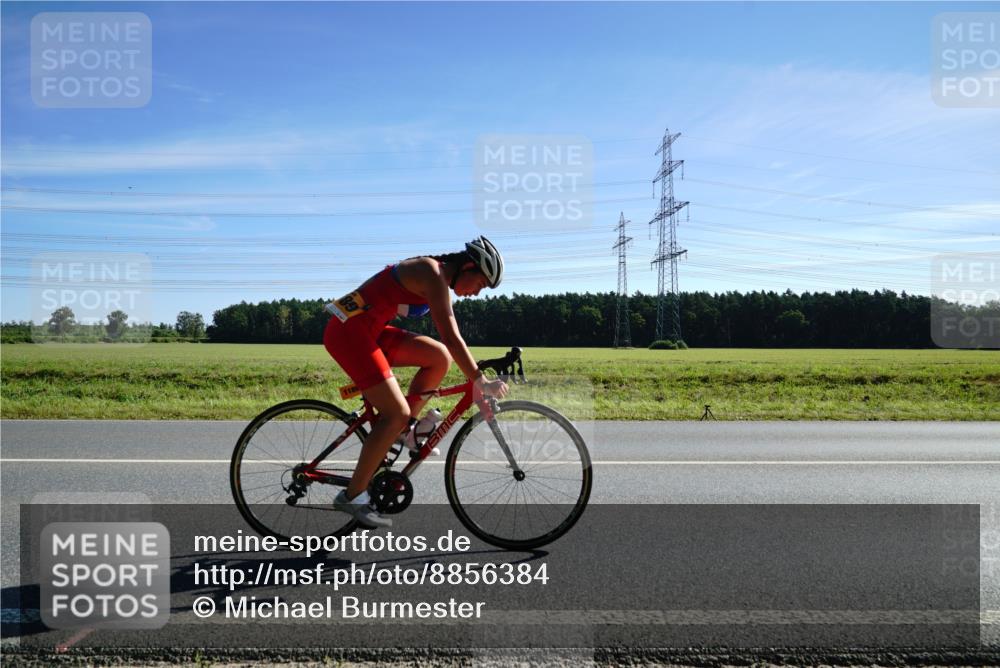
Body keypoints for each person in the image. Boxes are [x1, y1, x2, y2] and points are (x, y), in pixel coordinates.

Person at [323, 236, 510, 528]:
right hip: (350, 333)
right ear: (469, 267)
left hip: (369, 331)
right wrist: (479, 380)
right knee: (394, 413)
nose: (476, 293)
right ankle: (352, 495)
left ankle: (404, 431)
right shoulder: (431, 272)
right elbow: (451, 334)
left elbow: (447, 343)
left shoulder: (436, 277)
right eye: (480, 285)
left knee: (439, 357)